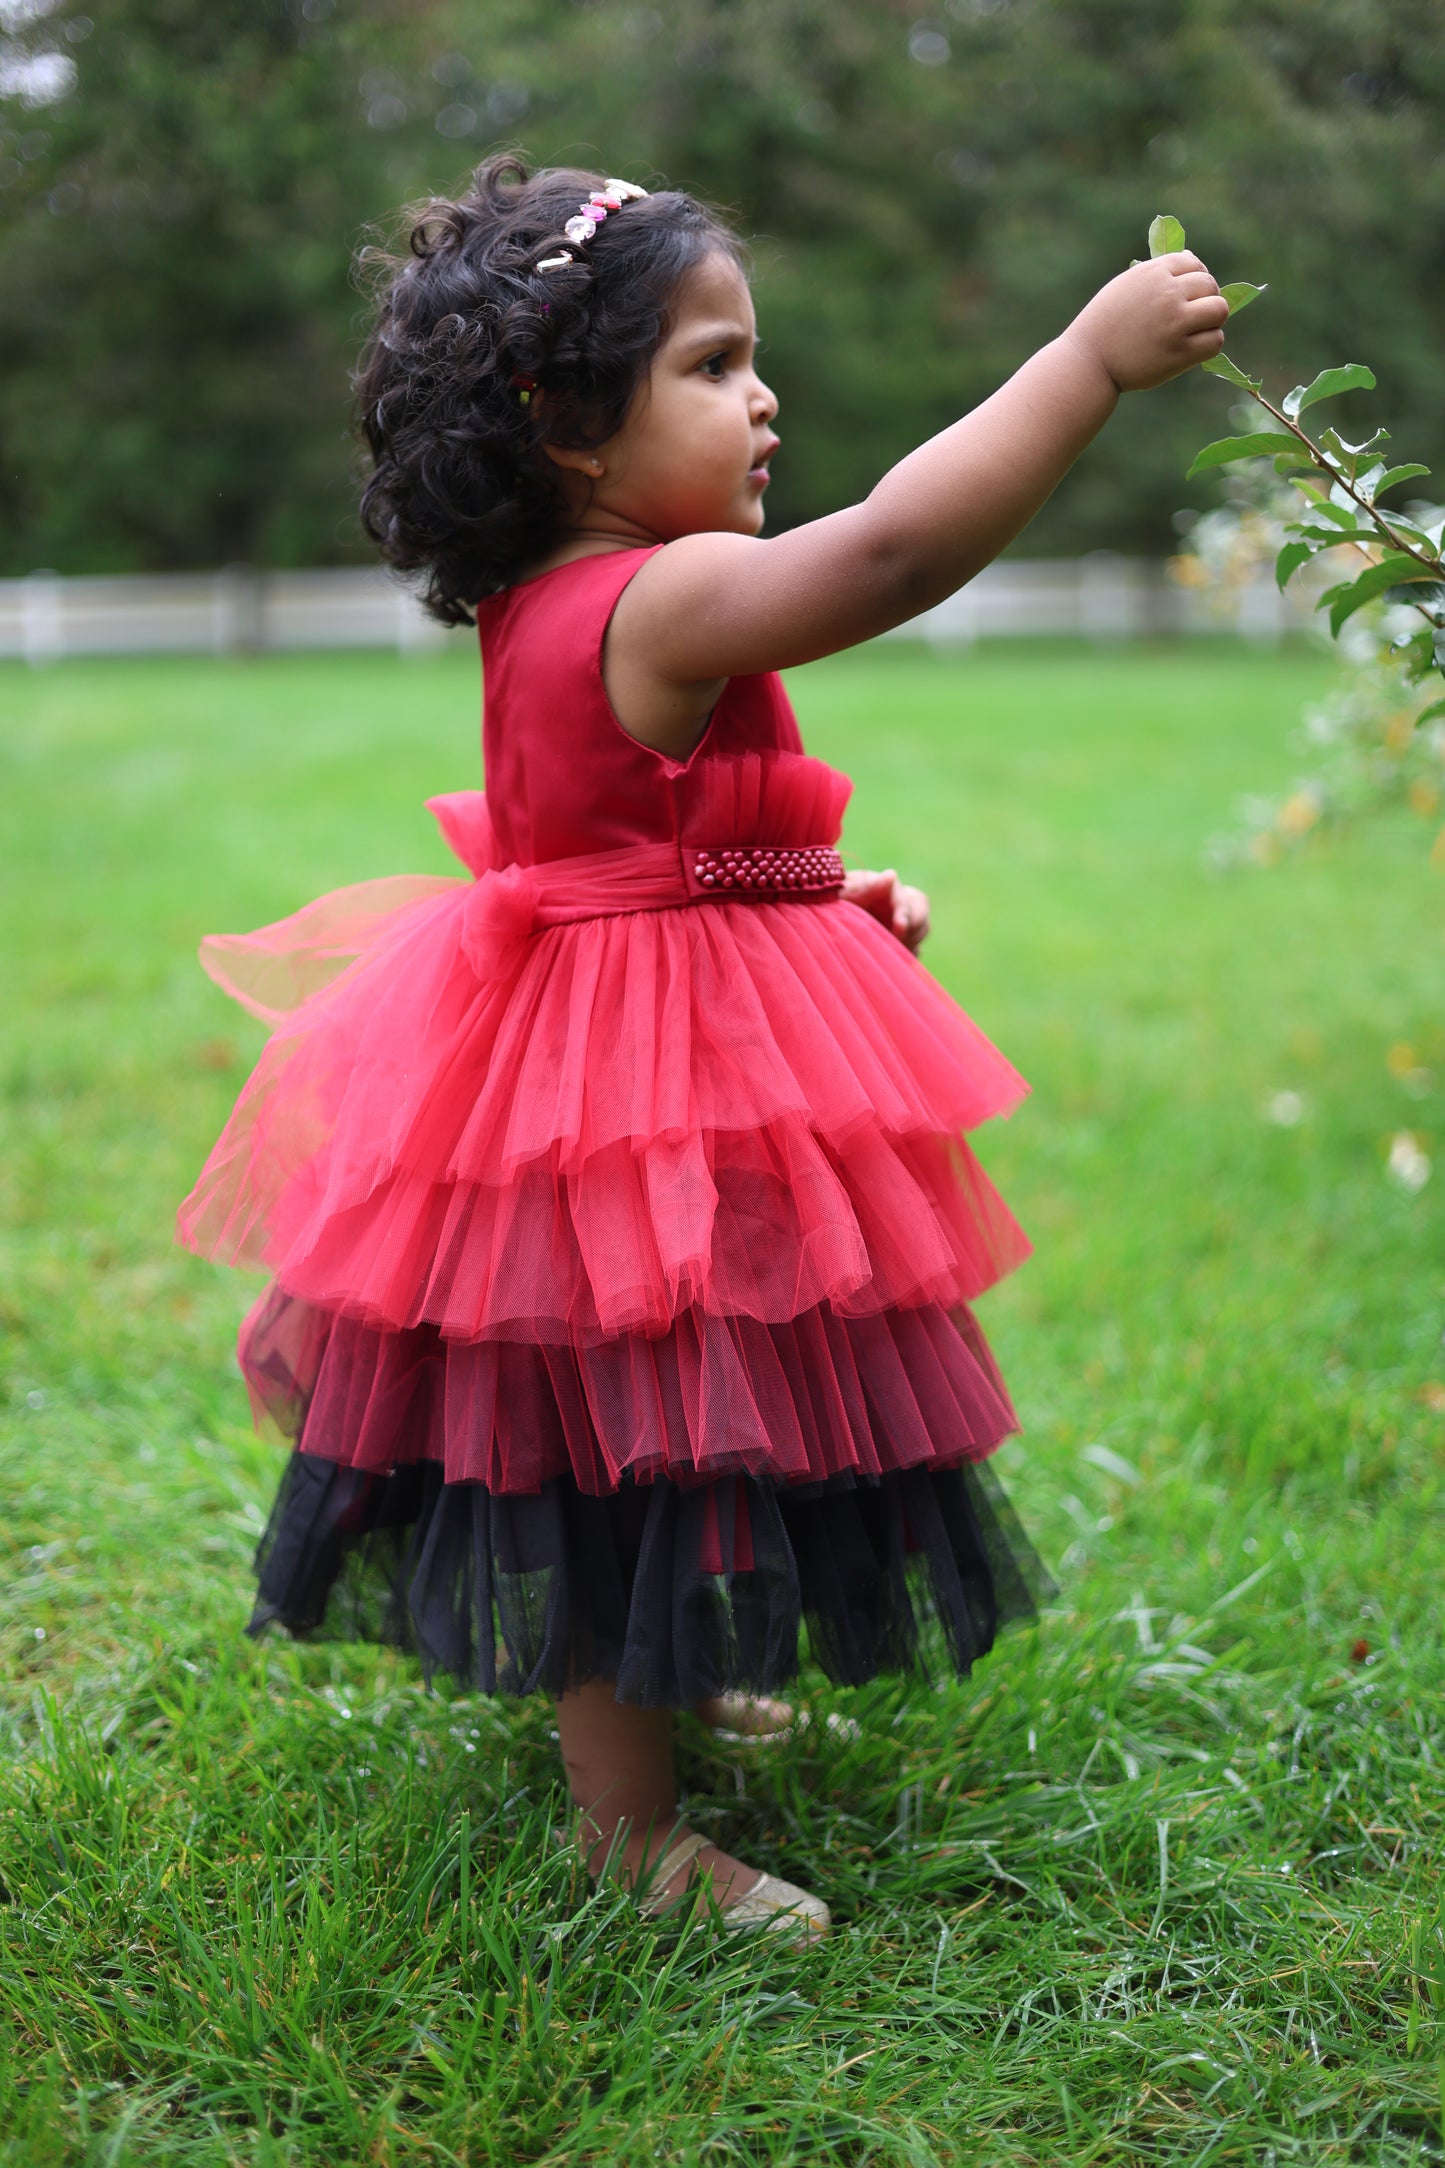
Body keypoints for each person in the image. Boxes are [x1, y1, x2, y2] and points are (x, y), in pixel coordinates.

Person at [177, 155, 1228, 1939]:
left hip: (646, 1042)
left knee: (699, 1387)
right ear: (564, 424)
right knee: (621, 1427)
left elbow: (653, 843)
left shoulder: (580, 596)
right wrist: (1085, 362)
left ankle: (681, 1658)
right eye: (712, 364)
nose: (763, 401)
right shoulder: (650, 601)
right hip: (622, 1075)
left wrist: (814, 894)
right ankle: (626, 1830)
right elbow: (891, 551)